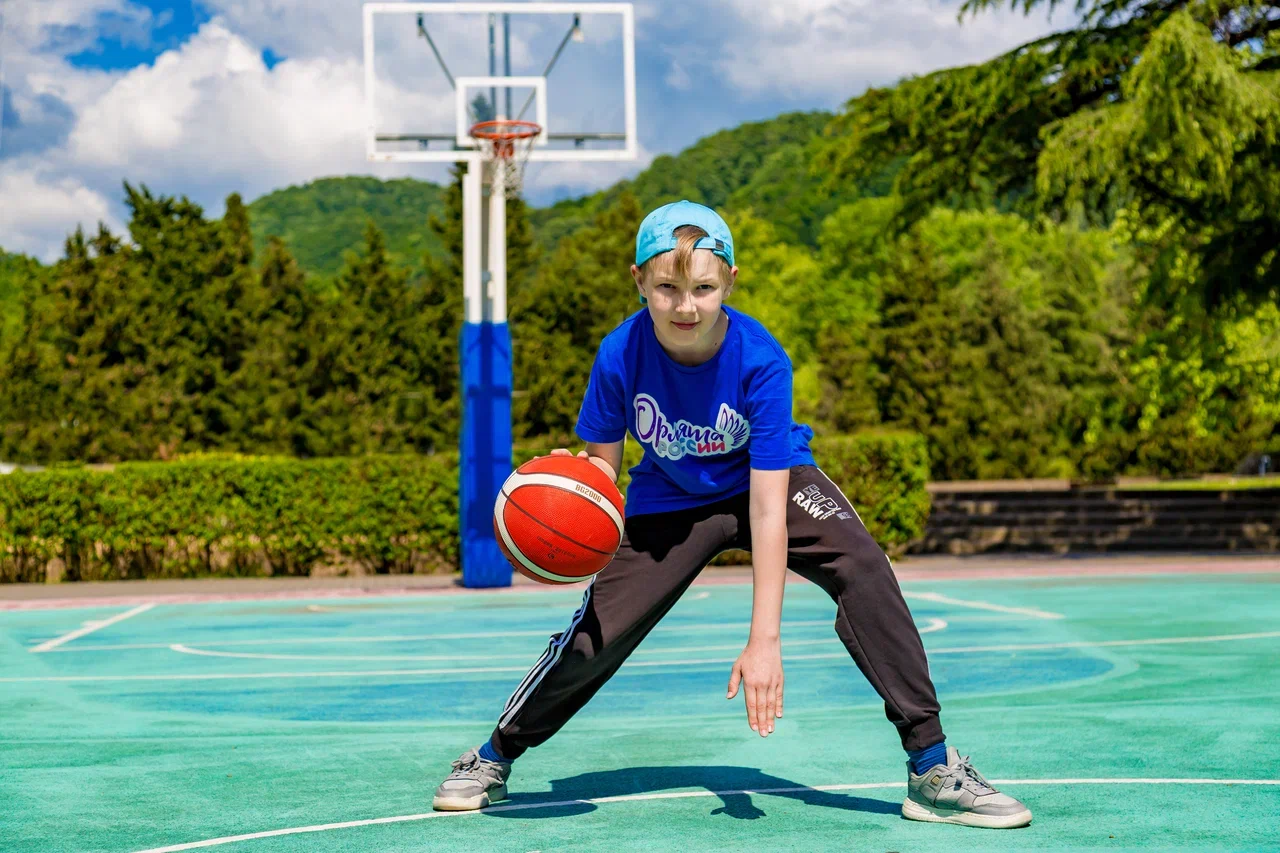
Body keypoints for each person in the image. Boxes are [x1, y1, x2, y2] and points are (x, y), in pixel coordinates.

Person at [432, 201, 1032, 829]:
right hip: (671, 498)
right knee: (598, 631)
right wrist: (571, 485)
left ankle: (932, 767)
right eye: (667, 287)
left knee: (865, 566)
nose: (685, 305)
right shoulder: (619, 354)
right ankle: (494, 755)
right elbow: (604, 475)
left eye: (703, 288)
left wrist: (763, 640)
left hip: (770, 483)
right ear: (638, 280)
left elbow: (768, 509)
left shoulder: (760, 359)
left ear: (730, 282)